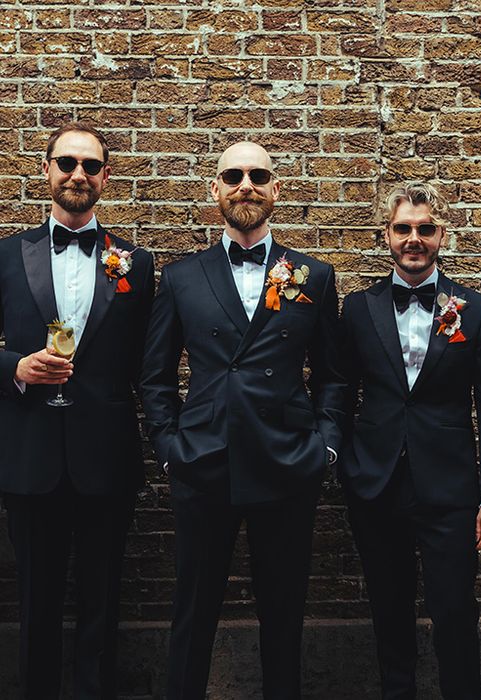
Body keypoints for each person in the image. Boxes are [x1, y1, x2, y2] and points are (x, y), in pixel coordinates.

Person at [140, 141, 345, 700]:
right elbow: (154, 374)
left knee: (284, 612)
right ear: (216, 189)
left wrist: (324, 446)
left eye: (259, 175)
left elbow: (334, 375)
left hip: (287, 465)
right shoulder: (182, 277)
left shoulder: (314, 275)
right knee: (193, 611)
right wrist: (167, 444)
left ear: (277, 189)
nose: (246, 185)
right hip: (203, 464)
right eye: (233, 175)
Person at [339, 182, 481, 699]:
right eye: (402, 229)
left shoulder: (475, 310)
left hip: (452, 493)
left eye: (424, 229)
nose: (413, 239)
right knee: (388, 613)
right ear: (386, 235)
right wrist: (348, 466)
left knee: (455, 613)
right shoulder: (358, 308)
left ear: (442, 235)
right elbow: (339, 393)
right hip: (376, 486)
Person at [0, 122, 155, 698]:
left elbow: (146, 362)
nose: (77, 174)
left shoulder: (136, 265)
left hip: (105, 457)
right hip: (29, 452)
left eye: (90, 165)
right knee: (34, 600)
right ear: (46, 171)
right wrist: (13, 368)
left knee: (103, 597)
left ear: (106, 177)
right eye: (66, 162)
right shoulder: (7, 255)